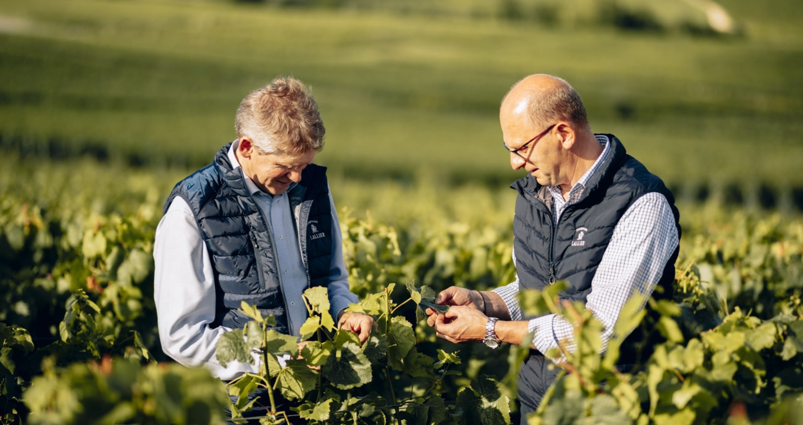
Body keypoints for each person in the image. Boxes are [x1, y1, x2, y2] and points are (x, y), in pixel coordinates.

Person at [426, 74, 680, 422]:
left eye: (522, 148)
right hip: (538, 406)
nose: (515, 162)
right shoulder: (534, 197)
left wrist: (489, 330)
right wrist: (484, 303)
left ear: (563, 133)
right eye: (509, 150)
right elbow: (533, 291)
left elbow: (598, 331)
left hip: (606, 408)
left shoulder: (642, 203)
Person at [153, 77, 373, 421]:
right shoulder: (194, 208)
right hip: (241, 408)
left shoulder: (312, 187)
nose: (298, 177)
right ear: (246, 148)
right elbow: (181, 335)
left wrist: (347, 313)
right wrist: (274, 358)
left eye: (304, 165)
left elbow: (333, 278)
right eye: (286, 166)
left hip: (317, 397)